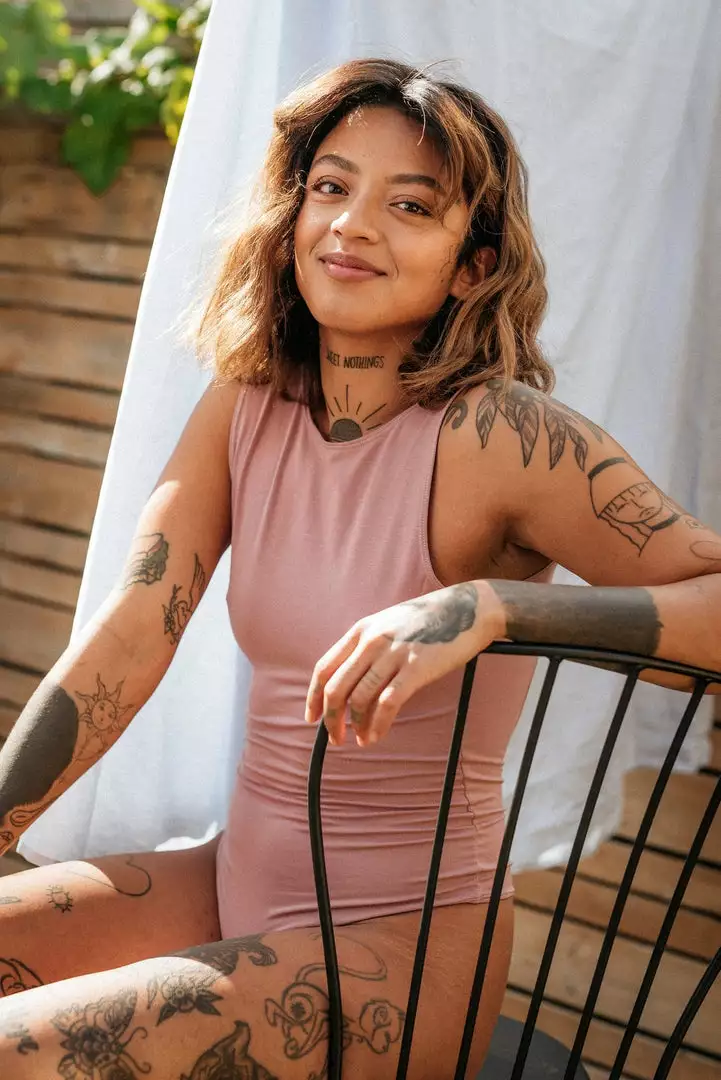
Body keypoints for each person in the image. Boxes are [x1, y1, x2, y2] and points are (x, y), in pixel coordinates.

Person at [0, 56, 719, 1080]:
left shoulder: (506, 437)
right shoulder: (246, 405)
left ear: (471, 265)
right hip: (230, 883)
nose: (351, 224)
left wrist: (491, 608)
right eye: (330, 187)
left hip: (397, 963)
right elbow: (129, 633)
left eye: (409, 205)